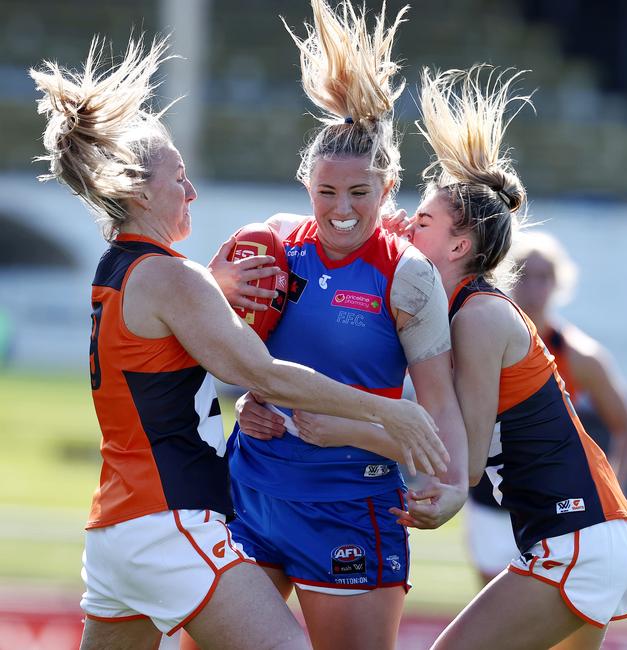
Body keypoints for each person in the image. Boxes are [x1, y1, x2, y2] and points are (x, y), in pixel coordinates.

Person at [30, 35, 449, 650]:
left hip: (115, 531)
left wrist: (213, 282)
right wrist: (387, 410)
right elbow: (269, 374)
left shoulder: (119, 271)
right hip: (171, 521)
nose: (192, 191)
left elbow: (180, 319)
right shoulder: (175, 279)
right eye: (180, 177)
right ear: (142, 193)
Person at [223, 2, 468, 649]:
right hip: (250, 493)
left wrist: (454, 489)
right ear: (306, 183)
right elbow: (224, 354)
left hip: (349, 508)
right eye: (327, 192)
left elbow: (438, 403)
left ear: (386, 189)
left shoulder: (406, 274)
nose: (340, 209)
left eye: (359, 193)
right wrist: (246, 398)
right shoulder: (273, 246)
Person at [386, 66, 627, 650]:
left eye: (420, 221)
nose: (405, 227)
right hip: (585, 535)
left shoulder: (478, 316)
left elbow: (468, 464)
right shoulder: (461, 312)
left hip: (576, 537)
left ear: (457, 245)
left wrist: (355, 430)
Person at [465, 231, 627, 586]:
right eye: (523, 272)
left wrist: (610, 491)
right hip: (490, 503)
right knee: (498, 623)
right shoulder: (476, 336)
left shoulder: (579, 354)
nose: (533, 287)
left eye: (544, 276)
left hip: (554, 507)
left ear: (559, 283)